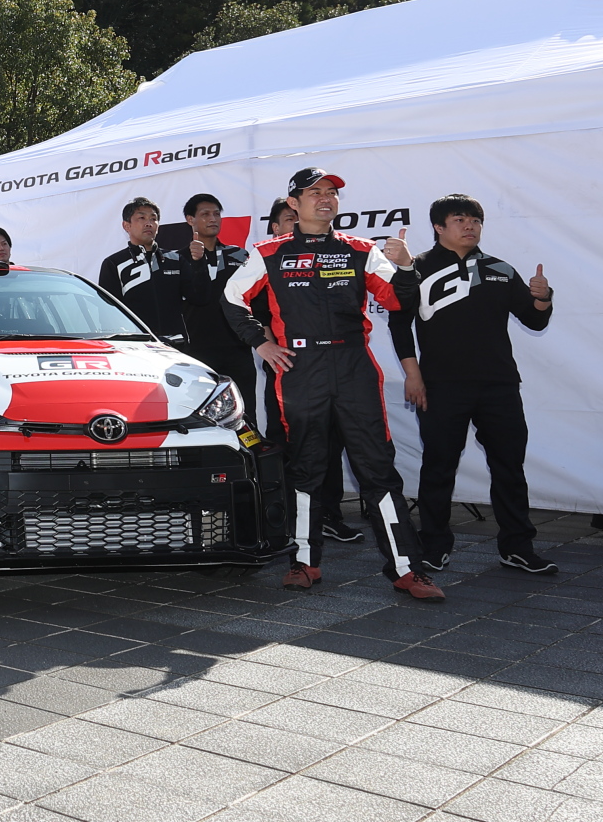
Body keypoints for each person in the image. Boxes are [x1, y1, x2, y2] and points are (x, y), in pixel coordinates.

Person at [223, 167, 437, 600]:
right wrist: (261, 343)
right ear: (294, 203)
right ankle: (304, 563)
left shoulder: (361, 250)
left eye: (331, 193)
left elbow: (399, 300)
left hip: (353, 364)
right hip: (301, 369)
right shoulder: (269, 252)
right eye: (314, 192)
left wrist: (406, 266)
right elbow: (231, 297)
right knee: (305, 469)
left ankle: (407, 569)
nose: (325, 199)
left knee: (377, 469)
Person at [390, 194, 557, 575]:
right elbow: (399, 324)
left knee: (510, 468)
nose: (470, 226)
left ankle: (517, 548)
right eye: (460, 219)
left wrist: (543, 298)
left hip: (499, 385)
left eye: (476, 220)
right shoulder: (416, 268)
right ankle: (434, 547)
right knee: (438, 468)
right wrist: (413, 375)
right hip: (440, 386)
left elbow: (535, 321)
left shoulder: (499, 269)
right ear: (438, 226)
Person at [254, 197, 361, 545]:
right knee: (285, 444)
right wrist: (268, 347)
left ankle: (328, 515)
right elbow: (249, 312)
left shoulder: (330, 258)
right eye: (289, 219)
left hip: (331, 370)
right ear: (276, 227)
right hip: (287, 371)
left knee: (330, 443)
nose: (296, 224)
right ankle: (283, 520)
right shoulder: (265, 261)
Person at [177, 194, 257, 424]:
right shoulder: (175, 259)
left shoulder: (239, 255)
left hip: (238, 348)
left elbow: (255, 299)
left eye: (216, 213)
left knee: (245, 414)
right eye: (205, 214)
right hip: (197, 351)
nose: (213, 219)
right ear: (190, 219)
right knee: (199, 417)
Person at [97, 197, 192, 344]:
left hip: (176, 345)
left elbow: (199, 297)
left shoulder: (176, 259)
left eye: (153, 219)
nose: (149, 223)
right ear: (126, 225)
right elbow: (108, 312)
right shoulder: (114, 263)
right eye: (141, 218)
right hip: (137, 346)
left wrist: (198, 263)